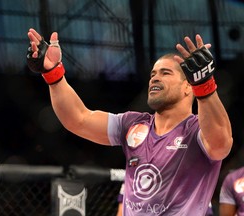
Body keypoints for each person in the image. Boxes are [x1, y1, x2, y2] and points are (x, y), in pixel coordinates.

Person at [27, 28, 233, 215]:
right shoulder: (133, 124)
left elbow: (220, 145)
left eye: (165, 73)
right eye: (153, 74)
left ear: (188, 86)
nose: (155, 78)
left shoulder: (198, 130)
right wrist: (53, 74)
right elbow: (78, 119)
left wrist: (204, 85)